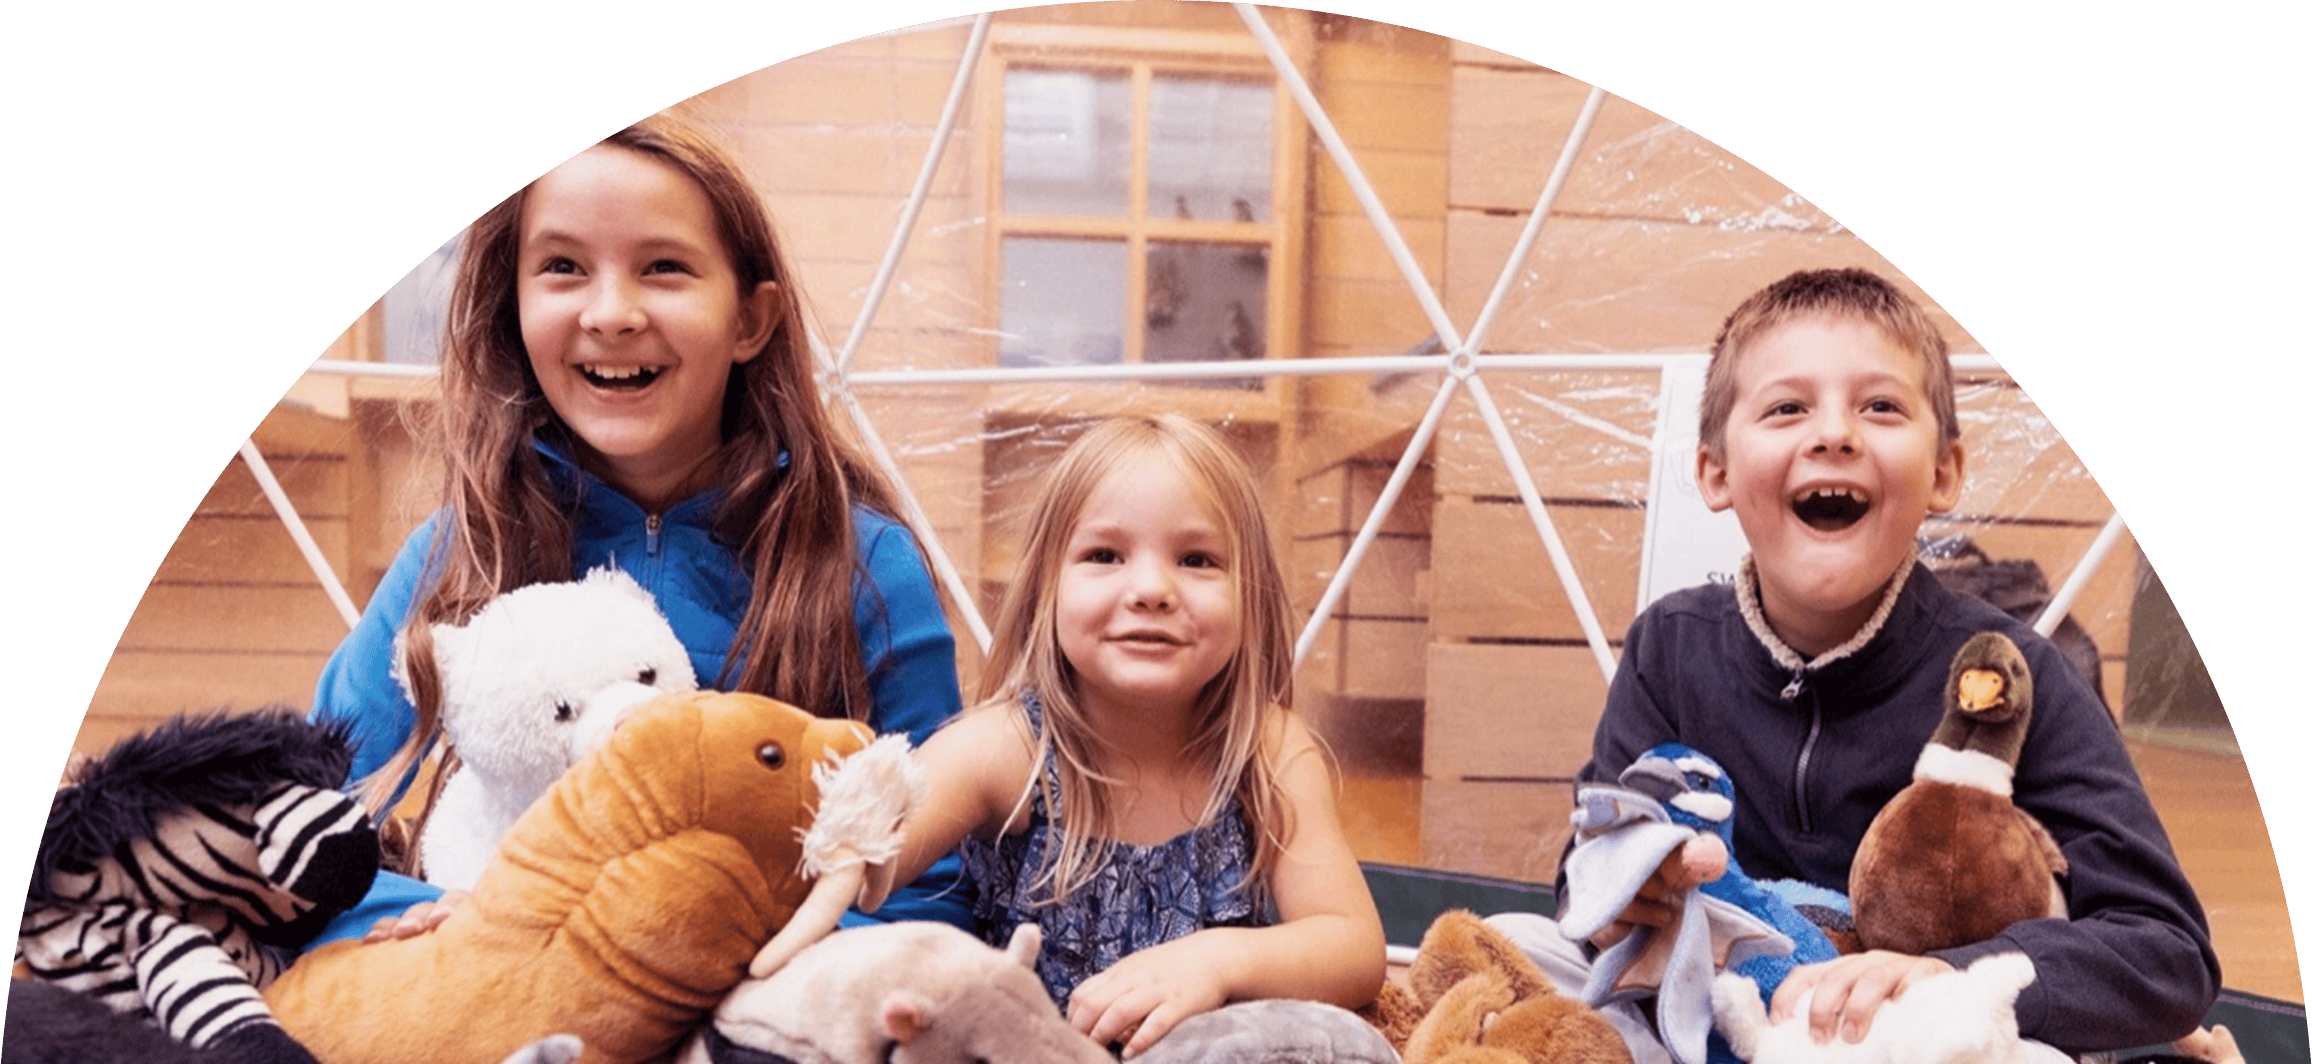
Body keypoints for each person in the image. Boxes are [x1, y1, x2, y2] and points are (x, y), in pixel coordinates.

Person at [1497, 267, 2219, 1061]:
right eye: (1787, 408)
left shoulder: (2013, 677)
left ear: (1943, 472)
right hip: (1720, 1013)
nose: (1835, 433)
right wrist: (1627, 897)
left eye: (1880, 407)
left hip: (1915, 1041)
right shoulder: (1670, 647)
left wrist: (1947, 977)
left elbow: (2168, 950)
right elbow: (1585, 882)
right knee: (1517, 946)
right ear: (1716, 472)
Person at [305, 114, 969, 945]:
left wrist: (720, 955)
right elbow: (297, 827)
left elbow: (932, 890)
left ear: (750, 320)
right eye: (562, 267)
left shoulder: (864, 564)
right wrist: (442, 930)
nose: (611, 313)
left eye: (663, 268)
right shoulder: (458, 552)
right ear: (512, 308)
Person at [890, 414, 1388, 1060]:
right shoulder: (1004, 748)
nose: (1152, 590)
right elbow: (851, 861)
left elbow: (1354, 945)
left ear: (1251, 596)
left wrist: (1217, 960)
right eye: (1105, 556)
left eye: (1197, 560)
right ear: (1046, 589)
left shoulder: (1267, 752)